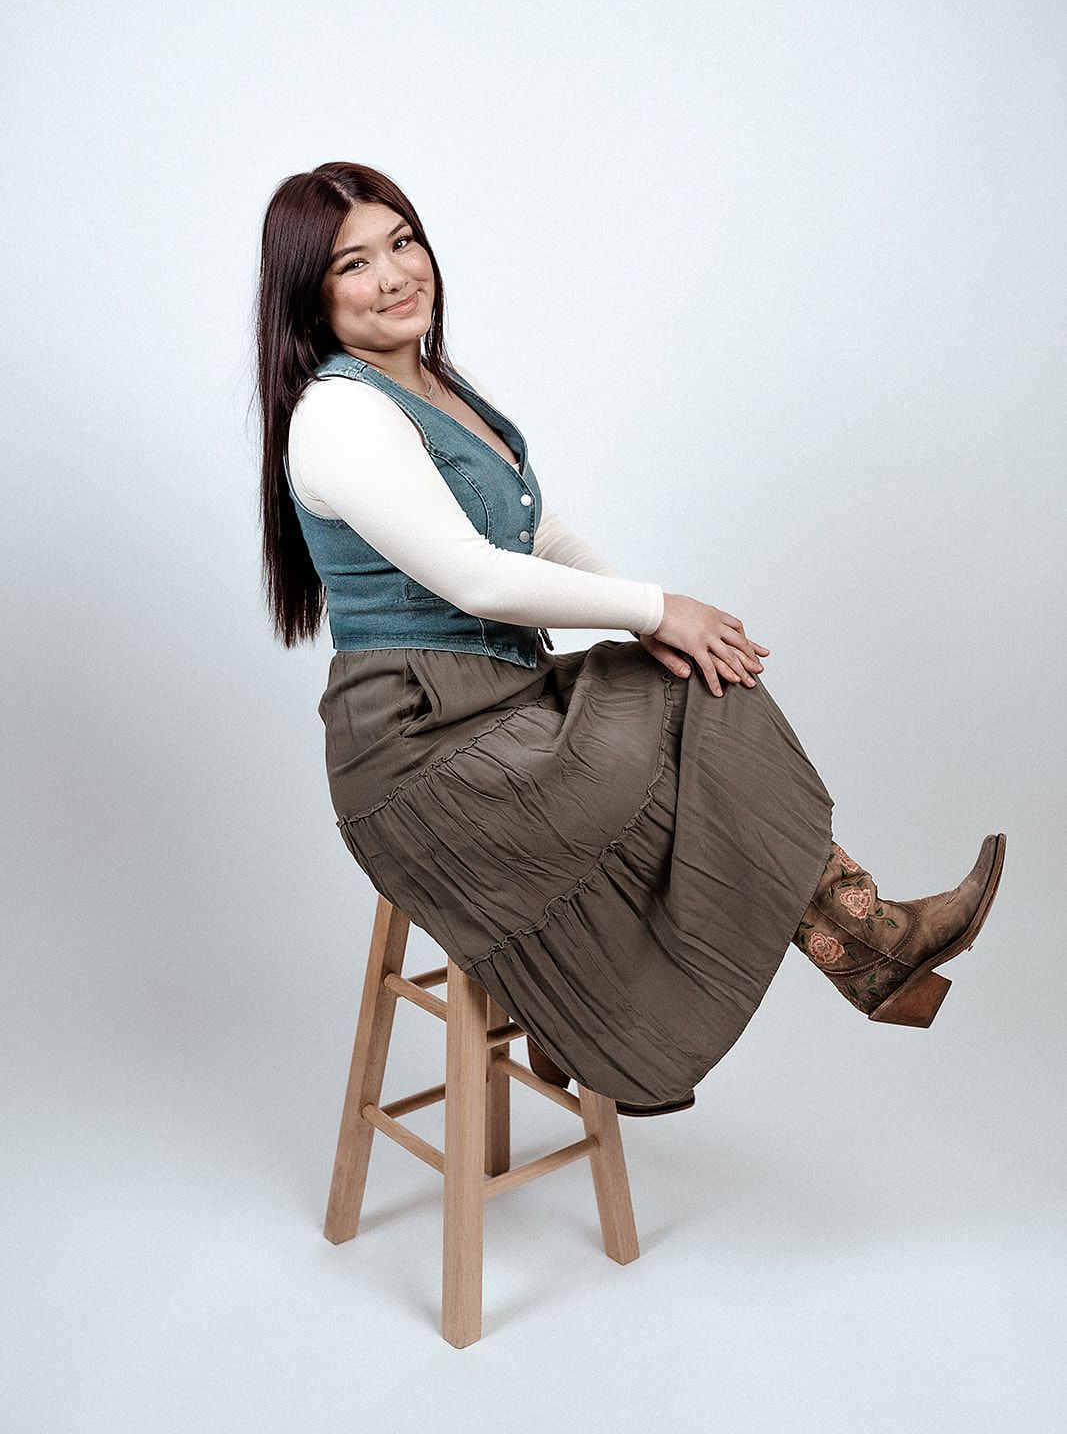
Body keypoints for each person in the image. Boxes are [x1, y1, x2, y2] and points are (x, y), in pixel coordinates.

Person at [255, 160, 1006, 1116]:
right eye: (354, 264)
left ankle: (862, 941)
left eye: (403, 242)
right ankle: (830, 954)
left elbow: (533, 529)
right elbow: (473, 575)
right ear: (311, 296)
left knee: (702, 677)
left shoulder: (433, 387)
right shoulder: (339, 413)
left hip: (498, 696)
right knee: (677, 699)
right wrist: (651, 609)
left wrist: (652, 621)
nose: (396, 274)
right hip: (419, 745)